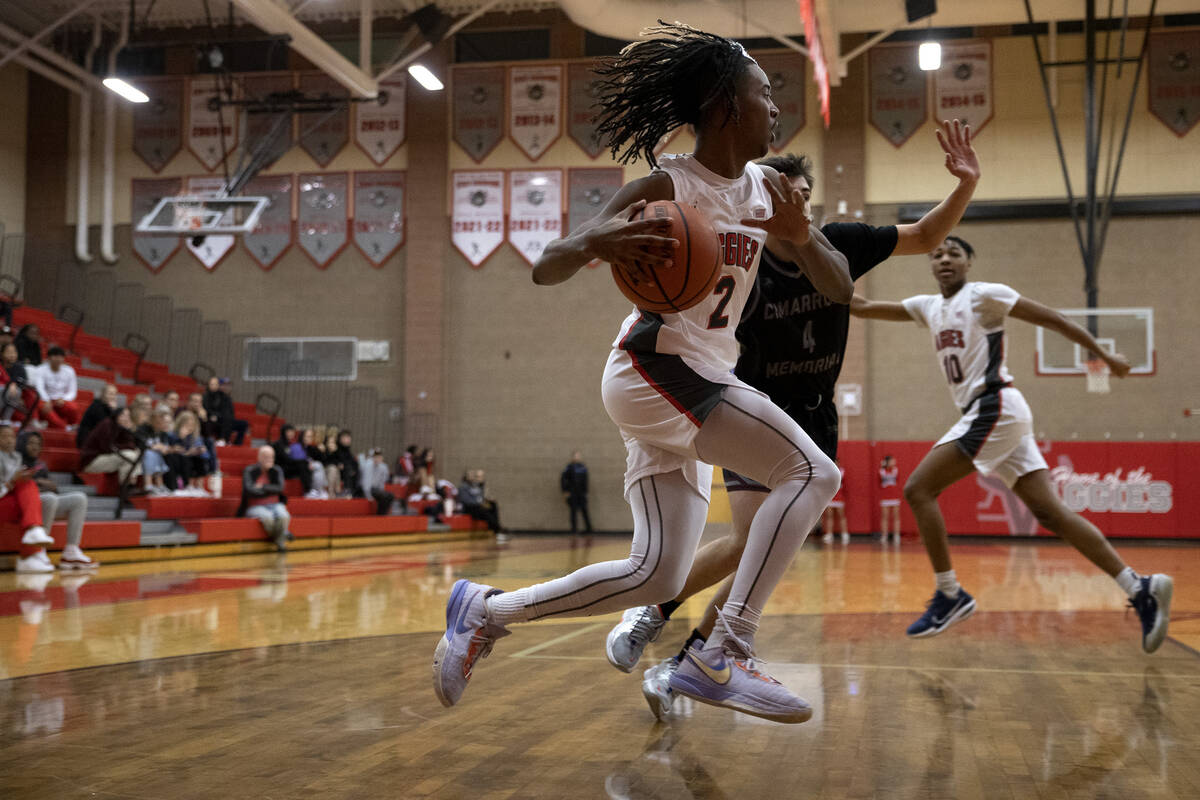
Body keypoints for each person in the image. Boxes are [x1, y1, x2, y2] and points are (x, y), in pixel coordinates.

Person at [432, 23, 849, 723]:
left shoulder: (769, 190)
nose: (777, 107)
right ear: (724, 106)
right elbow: (547, 266)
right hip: (657, 367)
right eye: (765, 93)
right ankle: (723, 650)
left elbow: (839, 288)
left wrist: (803, 234)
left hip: (693, 378)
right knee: (812, 473)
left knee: (657, 573)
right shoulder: (668, 184)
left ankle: (485, 612)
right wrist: (596, 239)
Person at [607, 122, 982, 720]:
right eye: (783, 198)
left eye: (803, 196)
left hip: (818, 413)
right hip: (753, 406)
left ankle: (688, 656)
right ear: (762, 208)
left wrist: (965, 186)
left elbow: (925, 233)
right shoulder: (739, 262)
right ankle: (664, 619)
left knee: (753, 547)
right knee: (747, 542)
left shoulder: (838, 243)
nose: (794, 206)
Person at [849, 235, 1173, 650]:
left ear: (969, 262)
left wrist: (1103, 356)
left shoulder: (985, 296)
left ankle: (950, 593)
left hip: (995, 406)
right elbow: (859, 307)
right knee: (1051, 514)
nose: (945, 259)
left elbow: (1055, 320)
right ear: (930, 264)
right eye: (937, 254)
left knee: (918, 489)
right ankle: (1139, 586)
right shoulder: (928, 307)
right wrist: (821, 264)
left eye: (954, 253)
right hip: (990, 414)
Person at [19, 431, 97, 569]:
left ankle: (71, 551)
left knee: (79, 498)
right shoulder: (16, 461)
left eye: (38, 444)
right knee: (49, 499)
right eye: (31, 443)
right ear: (21, 443)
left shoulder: (40, 465)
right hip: (24, 505)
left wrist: (47, 484)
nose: (35, 447)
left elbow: (53, 488)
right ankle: (39, 550)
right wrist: (38, 483)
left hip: (45, 501)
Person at [0, 424, 54, 573]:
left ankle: (31, 550)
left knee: (27, 487)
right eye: (4, 436)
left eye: (12, 436)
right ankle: (33, 543)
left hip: (9, 502)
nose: (9, 440)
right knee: (27, 485)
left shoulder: (16, 457)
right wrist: (12, 481)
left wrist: (16, 481)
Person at [238, 445, 291, 551]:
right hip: (254, 505)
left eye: (271, 457)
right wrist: (270, 491)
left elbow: (280, 488)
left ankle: (281, 537)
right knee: (268, 517)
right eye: (266, 457)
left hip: (275, 504)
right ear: (259, 458)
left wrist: (263, 487)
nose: (270, 460)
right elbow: (249, 490)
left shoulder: (276, 470)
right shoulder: (249, 470)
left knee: (284, 515)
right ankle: (282, 537)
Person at [79, 407, 142, 487]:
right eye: (123, 415)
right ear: (117, 415)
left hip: (106, 457)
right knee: (130, 456)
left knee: (137, 453)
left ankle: (129, 484)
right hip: (92, 461)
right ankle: (127, 486)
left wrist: (128, 431)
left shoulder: (121, 428)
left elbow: (131, 445)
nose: (126, 419)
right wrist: (126, 447)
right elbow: (108, 448)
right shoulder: (107, 424)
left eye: (128, 416)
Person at [32, 346, 80, 429]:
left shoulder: (69, 370)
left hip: (61, 400)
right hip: (45, 399)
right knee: (44, 407)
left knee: (73, 407)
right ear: (48, 358)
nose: (58, 359)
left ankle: (74, 425)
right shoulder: (40, 369)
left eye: (61, 357)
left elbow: (72, 391)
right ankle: (64, 428)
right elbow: (39, 388)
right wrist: (46, 400)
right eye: (55, 356)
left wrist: (64, 399)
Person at [168, 411, 213, 496]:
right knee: (185, 460)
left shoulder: (195, 436)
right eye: (187, 425)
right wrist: (181, 438)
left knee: (200, 460)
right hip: (178, 458)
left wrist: (201, 450)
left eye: (192, 425)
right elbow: (175, 449)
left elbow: (206, 455)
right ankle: (188, 485)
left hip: (191, 457)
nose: (190, 428)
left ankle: (199, 487)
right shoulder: (172, 434)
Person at [272, 425, 313, 495]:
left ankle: (309, 489)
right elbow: (286, 459)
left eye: (292, 432)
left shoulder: (289, 444)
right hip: (280, 468)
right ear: (284, 432)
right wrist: (305, 461)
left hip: (289, 467)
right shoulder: (278, 444)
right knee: (302, 464)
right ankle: (308, 490)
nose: (291, 433)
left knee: (304, 465)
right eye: (289, 432)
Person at [458, 469, 502, 533]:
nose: (472, 476)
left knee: (493, 505)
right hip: (470, 509)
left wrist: (487, 500)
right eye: (470, 475)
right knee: (484, 512)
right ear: (466, 477)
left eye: (473, 475)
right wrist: (479, 503)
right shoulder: (463, 487)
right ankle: (497, 529)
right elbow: (466, 501)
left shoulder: (475, 486)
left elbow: (480, 495)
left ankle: (495, 528)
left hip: (478, 507)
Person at [76, 383, 120, 448]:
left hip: (97, 440)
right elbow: (106, 426)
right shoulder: (96, 407)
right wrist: (114, 411)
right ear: (103, 395)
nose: (113, 397)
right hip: (86, 441)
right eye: (110, 394)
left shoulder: (107, 408)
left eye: (115, 394)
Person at [560, 451, 592, 533]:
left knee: (584, 510)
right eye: (575, 456)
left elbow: (585, 480)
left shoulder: (583, 467)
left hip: (581, 493)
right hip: (572, 492)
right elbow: (563, 479)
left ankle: (589, 529)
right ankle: (574, 530)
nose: (577, 457)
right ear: (572, 457)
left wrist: (586, 492)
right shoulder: (569, 467)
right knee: (573, 511)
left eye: (578, 456)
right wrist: (565, 491)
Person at [359, 447, 396, 515]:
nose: (377, 458)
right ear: (372, 458)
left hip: (377, 489)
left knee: (390, 495)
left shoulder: (383, 467)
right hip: (367, 489)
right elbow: (366, 483)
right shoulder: (368, 466)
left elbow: (382, 481)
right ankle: (380, 515)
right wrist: (369, 496)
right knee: (384, 496)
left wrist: (381, 491)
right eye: (375, 457)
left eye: (379, 456)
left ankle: (383, 514)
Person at [821, 462, 848, 545]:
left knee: (841, 515)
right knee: (829, 516)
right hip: (830, 497)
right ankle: (829, 534)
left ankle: (844, 534)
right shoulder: (827, 471)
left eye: (837, 462)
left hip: (839, 497)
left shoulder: (842, 471)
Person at [879, 455, 901, 544]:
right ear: (887, 462)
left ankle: (897, 536)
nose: (894, 462)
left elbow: (897, 480)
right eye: (892, 461)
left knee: (896, 517)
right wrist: (882, 465)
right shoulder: (881, 471)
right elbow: (879, 482)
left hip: (894, 497)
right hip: (885, 497)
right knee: (885, 517)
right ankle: (884, 536)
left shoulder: (896, 470)